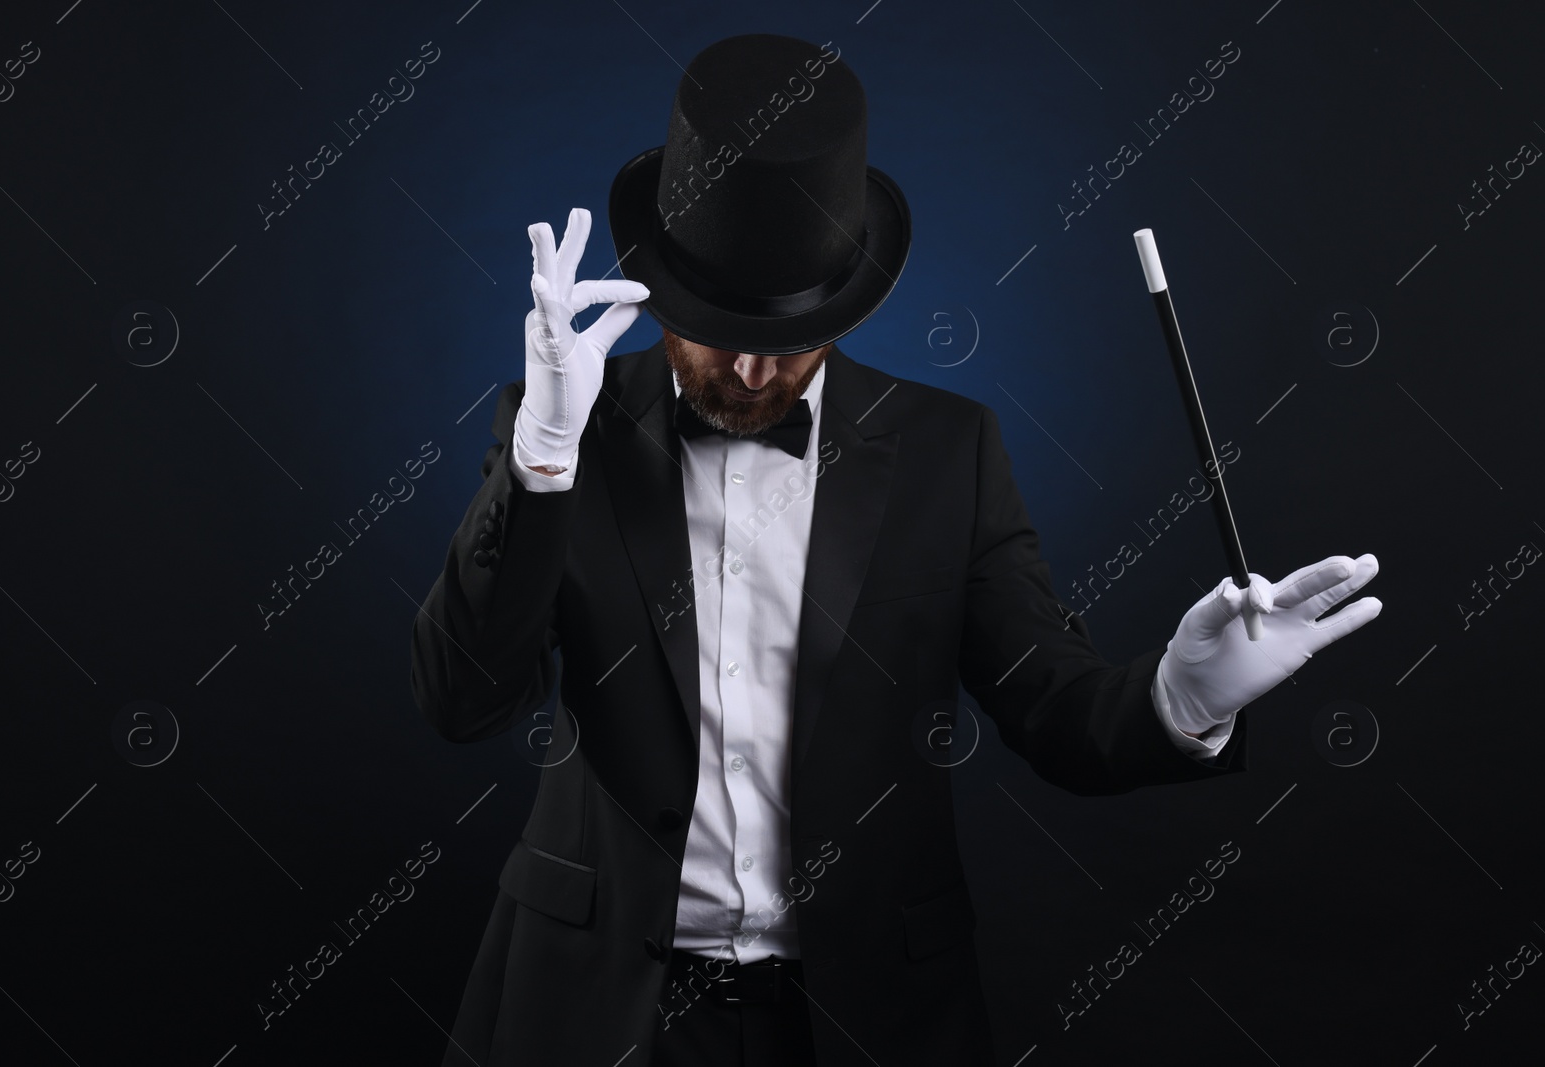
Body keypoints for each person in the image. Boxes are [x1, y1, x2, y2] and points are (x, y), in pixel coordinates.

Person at [408, 33, 1382, 1067]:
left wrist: (1182, 699)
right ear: (652, 287)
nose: (745, 368)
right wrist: (544, 456)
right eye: (711, 326)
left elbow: (1050, 707)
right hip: (595, 1011)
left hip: (865, 1016)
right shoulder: (563, 431)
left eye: (783, 336)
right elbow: (461, 698)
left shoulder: (944, 450)